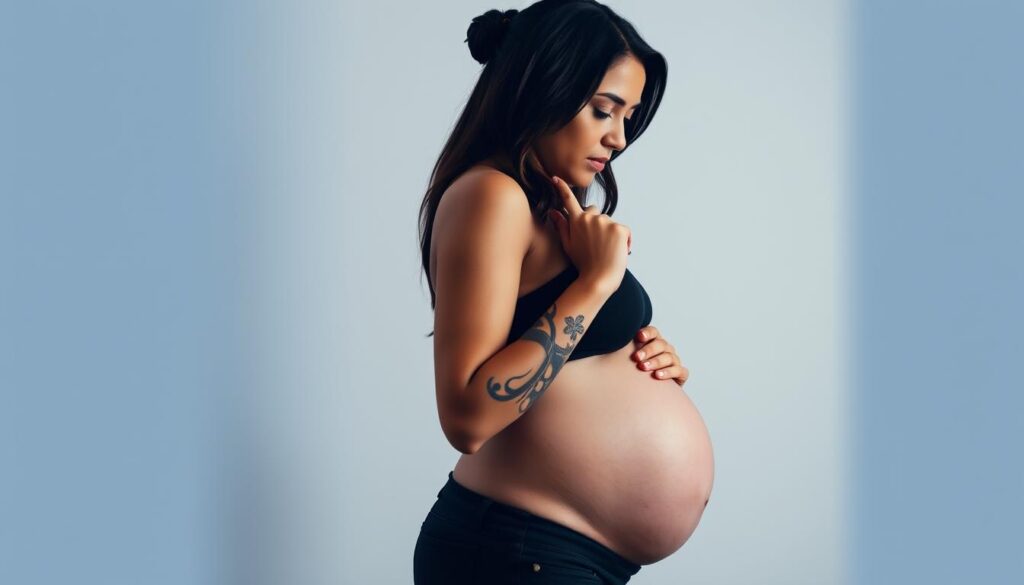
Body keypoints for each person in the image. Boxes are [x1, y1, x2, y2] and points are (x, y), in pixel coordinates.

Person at [415, 1, 714, 582]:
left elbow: (566, 356)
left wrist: (653, 365)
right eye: (605, 110)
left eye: (627, 117)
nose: (619, 138)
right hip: (516, 548)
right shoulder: (490, 196)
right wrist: (597, 284)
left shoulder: (545, 207)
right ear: (542, 86)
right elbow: (467, 419)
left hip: (554, 552)